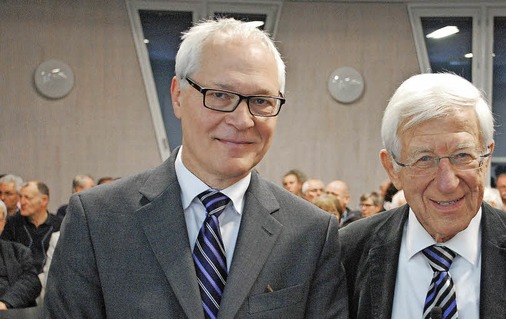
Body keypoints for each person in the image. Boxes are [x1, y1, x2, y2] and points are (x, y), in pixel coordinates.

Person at [45, 18, 347, 318]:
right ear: (178, 96)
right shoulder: (98, 220)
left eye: (261, 100)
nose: (242, 120)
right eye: (220, 95)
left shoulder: (310, 233)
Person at [340, 73, 506, 318]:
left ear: (486, 158)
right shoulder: (347, 252)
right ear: (392, 168)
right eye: (424, 159)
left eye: (462, 155)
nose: (447, 183)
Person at [1, 181, 62, 274]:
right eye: (20, 197)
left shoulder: (60, 225)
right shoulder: (11, 224)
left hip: (50, 280)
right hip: (19, 279)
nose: (22, 202)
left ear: (44, 200)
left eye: (27, 198)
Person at [0, 200, 42, 309]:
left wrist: (5, 303)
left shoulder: (19, 252)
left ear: (3, 223)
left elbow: (32, 282)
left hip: (12, 310)